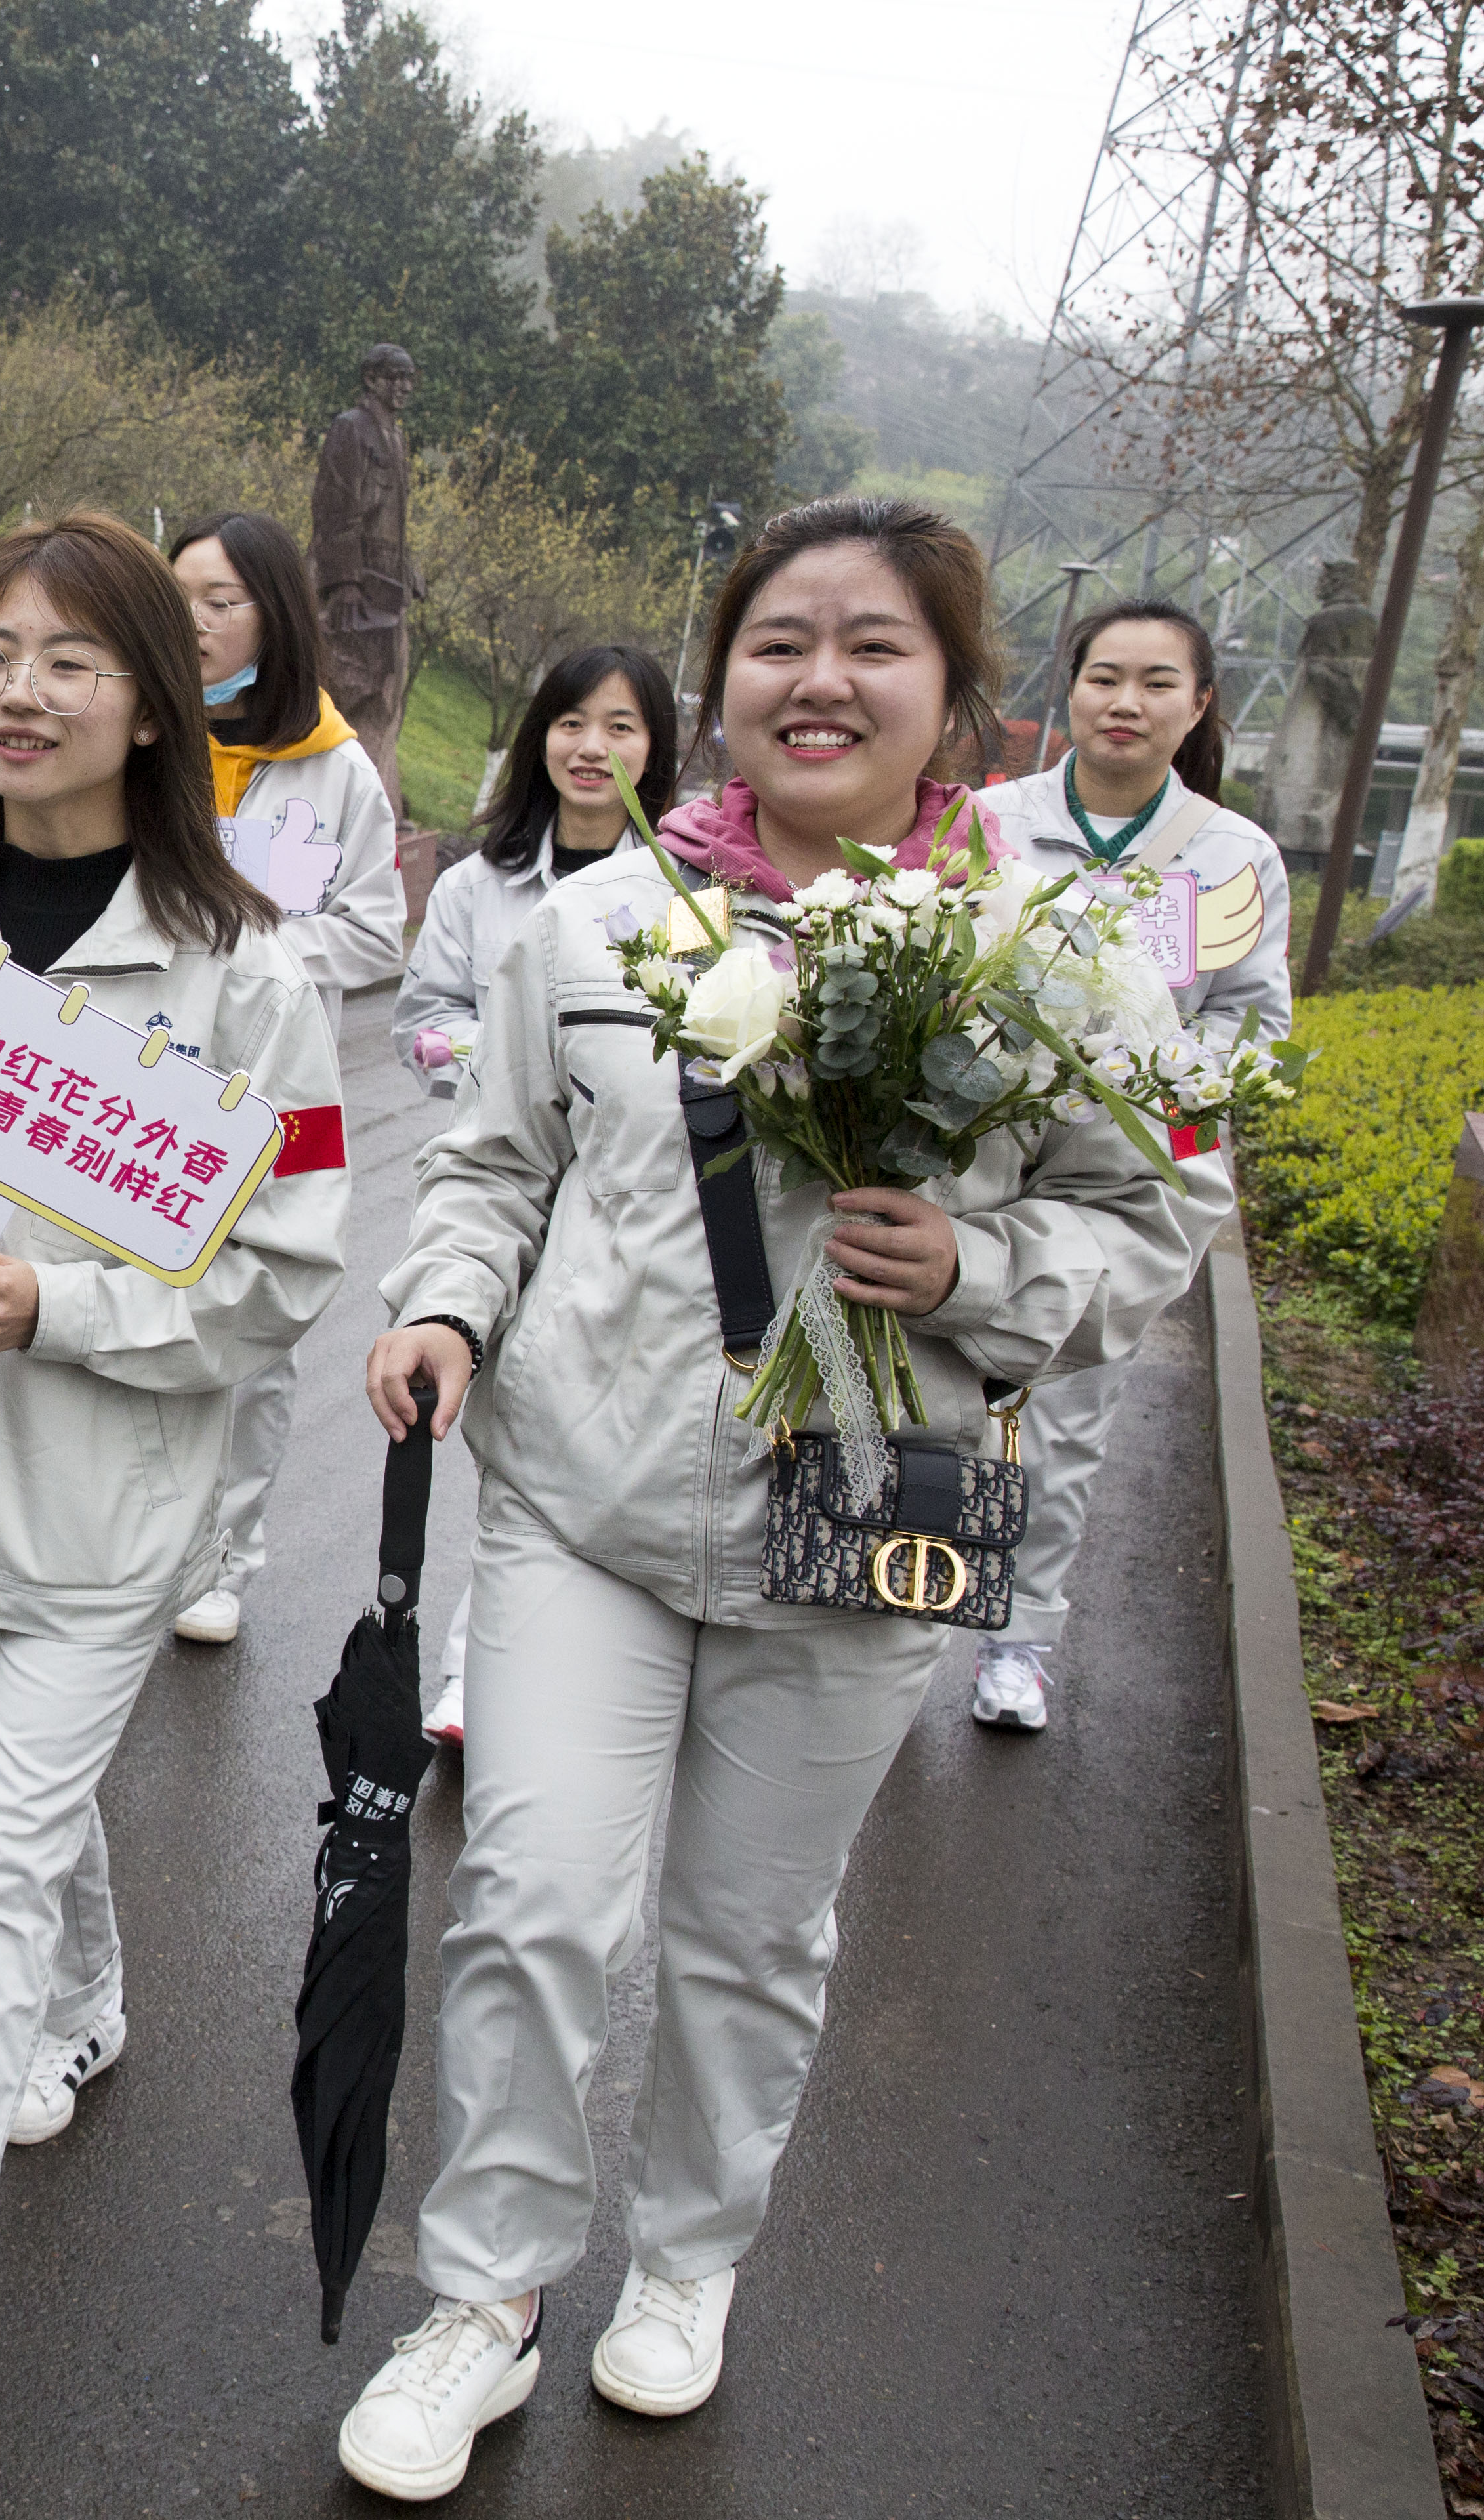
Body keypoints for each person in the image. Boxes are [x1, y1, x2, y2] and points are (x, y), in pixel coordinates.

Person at [329, 498, 1210, 2502]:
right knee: (538, 1898)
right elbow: (491, 1166)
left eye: (875, 644)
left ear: (956, 695)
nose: (822, 678)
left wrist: (980, 1274)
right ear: (718, 681)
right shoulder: (599, 923)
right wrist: (450, 1310)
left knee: (746, 1927)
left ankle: (691, 2260)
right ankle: (483, 2293)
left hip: (870, 1516)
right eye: (781, 639)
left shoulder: (1050, 959)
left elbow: (1154, 1220)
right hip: (590, 1499)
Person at [0, 513, 349, 2468]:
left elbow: (284, 1264)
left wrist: (55, 1306)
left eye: (69, 660)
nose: (18, 691)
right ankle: (90, 2006)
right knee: (21, 1826)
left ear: (151, 702)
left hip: (110, 1510)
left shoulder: (250, 973)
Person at [968, 596, 1290, 1732]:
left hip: (1118, 1187)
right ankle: (898, 1601)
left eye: (1159, 682)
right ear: (1070, 689)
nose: (1127, 702)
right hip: (981, 1159)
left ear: (1199, 705)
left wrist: (1169, 1132)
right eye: (1106, 676)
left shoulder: (1232, 857)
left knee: (1067, 1414)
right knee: (941, 1397)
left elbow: (1250, 1027)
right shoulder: (985, 824)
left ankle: (1021, 1640)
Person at [381, 642, 681, 1742]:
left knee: (561, 1437)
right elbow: (420, 1022)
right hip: (499, 1201)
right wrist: (509, 1062)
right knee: (490, 1429)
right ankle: (485, 1662)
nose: (592, 748)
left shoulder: (692, 895)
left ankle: (479, 1668)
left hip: (615, 1216)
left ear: (659, 749)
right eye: (570, 723)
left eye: (621, 726)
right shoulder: (477, 885)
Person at [160, 509, 403, 1650]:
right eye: (181, 598)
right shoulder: (141, 734)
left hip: (268, 1092)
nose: (196, 621)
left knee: (247, 1337)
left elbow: (375, 933)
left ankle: (223, 1559)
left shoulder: (331, 766)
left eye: (222, 601)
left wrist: (243, 956)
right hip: (132, 1079)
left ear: (274, 614)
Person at [310, 346, 421, 828]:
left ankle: (377, 802)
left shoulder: (396, 436)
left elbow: (395, 515)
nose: (403, 386)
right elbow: (336, 505)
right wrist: (342, 580)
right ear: (371, 379)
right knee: (348, 689)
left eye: (409, 378)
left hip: (387, 584)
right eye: (394, 377)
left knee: (382, 694)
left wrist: (408, 565)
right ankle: (338, 801)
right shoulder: (351, 428)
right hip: (356, 585)